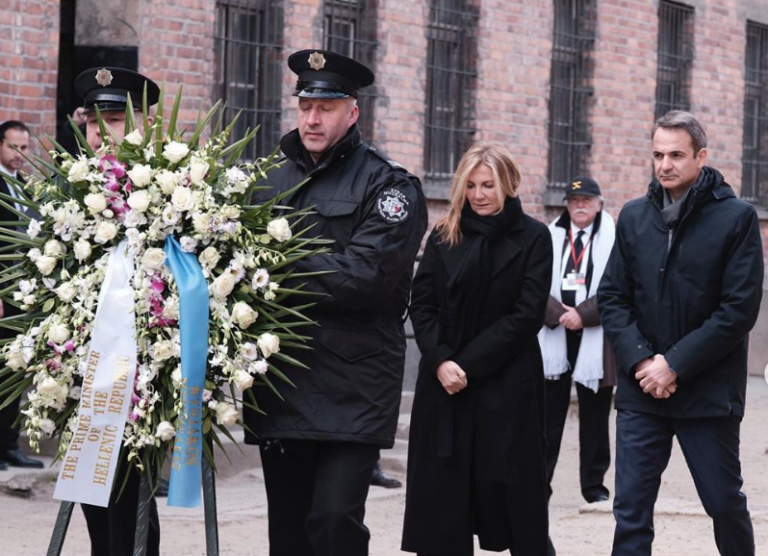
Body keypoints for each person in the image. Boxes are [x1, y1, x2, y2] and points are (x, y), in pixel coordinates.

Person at [244, 49, 427, 556]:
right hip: (283, 381)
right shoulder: (268, 182)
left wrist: (273, 266)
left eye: (326, 108)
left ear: (352, 112)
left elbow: (367, 278)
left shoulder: (390, 186)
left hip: (354, 384)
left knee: (332, 522)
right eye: (305, 106)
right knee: (287, 531)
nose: (312, 118)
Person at [598, 110, 763, 556]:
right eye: (657, 155)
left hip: (708, 393)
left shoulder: (737, 219)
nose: (664, 164)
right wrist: (642, 361)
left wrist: (674, 364)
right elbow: (612, 297)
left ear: (701, 157)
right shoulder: (633, 216)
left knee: (723, 502)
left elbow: (738, 309)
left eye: (675, 154)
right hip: (641, 392)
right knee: (629, 511)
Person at [402, 142, 552, 556]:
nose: (479, 195)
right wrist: (440, 361)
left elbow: (526, 316)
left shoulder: (535, 237)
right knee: (442, 498)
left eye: (488, 185)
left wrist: (464, 365)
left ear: (508, 185)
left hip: (505, 379)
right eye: (471, 186)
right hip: (443, 381)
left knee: (513, 495)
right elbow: (422, 303)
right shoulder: (444, 232)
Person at [72, 66, 162, 556]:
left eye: (116, 119)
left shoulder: (172, 190)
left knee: (131, 503)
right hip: (81, 370)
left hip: (142, 376)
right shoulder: (68, 190)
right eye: (93, 122)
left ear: (145, 122)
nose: (102, 133)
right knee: (94, 505)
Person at [538, 176, 616, 506]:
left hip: (595, 337)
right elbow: (533, 281)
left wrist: (582, 315)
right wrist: (557, 313)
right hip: (554, 333)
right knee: (546, 415)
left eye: (586, 200)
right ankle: (539, 482)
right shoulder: (548, 237)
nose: (579, 205)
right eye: (573, 201)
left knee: (596, 416)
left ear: (599, 204)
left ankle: (594, 486)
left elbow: (618, 286)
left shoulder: (614, 238)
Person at [0, 120, 45, 470]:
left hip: (20, 295)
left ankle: (8, 445)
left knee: (14, 370)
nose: (19, 155)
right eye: (13, 147)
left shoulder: (26, 186)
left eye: (25, 149)